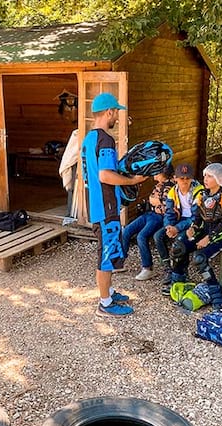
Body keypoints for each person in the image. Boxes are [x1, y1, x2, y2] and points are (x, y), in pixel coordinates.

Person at [81, 92, 147, 317]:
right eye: (116, 112)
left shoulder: (89, 139)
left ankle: (108, 291)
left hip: (97, 205)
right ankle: (105, 303)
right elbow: (105, 175)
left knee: (106, 250)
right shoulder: (105, 140)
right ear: (109, 112)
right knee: (106, 253)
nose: (117, 116)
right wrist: (132, 180)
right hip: (106, 206)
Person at [166, 163, 222, 310]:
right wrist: (193, 228)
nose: (206, 179)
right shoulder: (203, 194)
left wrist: (209, 238)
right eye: (205, 175)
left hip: (220, 236)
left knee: (200, 258)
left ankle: (217, 297)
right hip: (204, 231)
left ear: (219, 178)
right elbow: (198, 217)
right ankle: (178, 283)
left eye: (210, 176)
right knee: (179, 246)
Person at [121, 164, 175, 280]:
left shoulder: (170, 187)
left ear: (163, 173)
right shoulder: (159, 185)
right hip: (149, 214)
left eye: (156, 173)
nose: (154, 175)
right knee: (127, 230)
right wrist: (155, 201)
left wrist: (157, 201)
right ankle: (119, 261)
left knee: (141, 236)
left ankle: (148, 268)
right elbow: (152, 200)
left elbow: (167, 207)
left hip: (159, 217)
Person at [155, 163, 204, 289]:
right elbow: (169, 213)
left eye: (188, 178)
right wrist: (168, 227)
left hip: (195, 223)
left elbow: (196, 217)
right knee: (158, 236)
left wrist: (177, 228)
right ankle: (169, 268)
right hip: (179, 219)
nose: (185, 181)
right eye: (182, 178)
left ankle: (179, 277)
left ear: (192, 179)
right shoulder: (173, 191)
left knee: (180, 242)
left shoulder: (199, 191)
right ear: (175, 178)